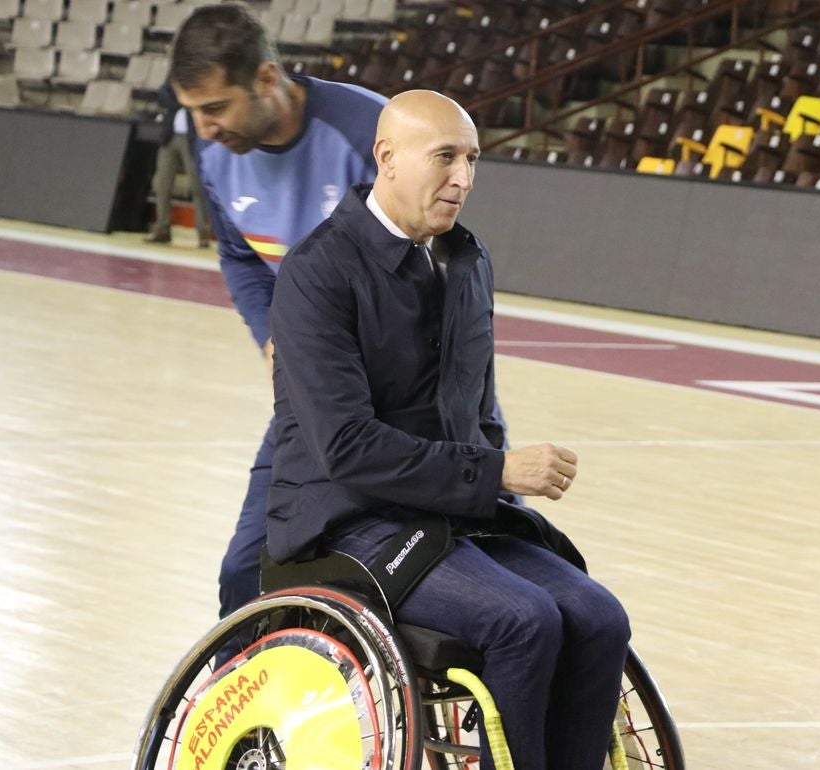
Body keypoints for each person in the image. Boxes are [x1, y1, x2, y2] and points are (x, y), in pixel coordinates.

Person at [267, 90, 630, 770]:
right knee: (523, 620)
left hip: (451, 514)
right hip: (346, 521)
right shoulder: (319, 271)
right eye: (444, 158)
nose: (462, 178)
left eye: (472, 160)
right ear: (388, 158)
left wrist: (502, 495)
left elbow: (479, 412)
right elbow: (346, 447)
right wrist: (495, 474)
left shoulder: (466, 261)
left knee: (600, 615)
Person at [166, 3, 388, 618]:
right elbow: (239, 256)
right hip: (316, 393)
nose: (205, 128)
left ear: (267, 79)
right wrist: (273, 334)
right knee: (245, 571)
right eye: (193, 113)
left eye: (215, 108)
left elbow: (437, 273)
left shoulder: (369, 131)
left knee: (499, 551)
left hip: (415, 391)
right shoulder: (211, 147)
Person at [144, 83, 211, 247]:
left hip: (192, 138)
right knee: (162, 184)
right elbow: (162, 94)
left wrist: (185, 100)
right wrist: (183, 101)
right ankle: (162, 229)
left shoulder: (198, 73)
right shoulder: (175, 73)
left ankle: (203, 233)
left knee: (197, 186)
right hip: (170, 136)